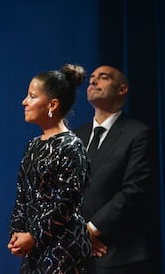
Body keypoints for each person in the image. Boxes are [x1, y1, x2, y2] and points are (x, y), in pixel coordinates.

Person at [8, 63, 92, 273]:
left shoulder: (72, 146)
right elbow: (22, 193)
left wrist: (34, 235)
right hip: (35, 247)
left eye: (32, 96)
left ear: (52, 104)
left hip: (63, 247)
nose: (24, 102)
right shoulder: (33, 145)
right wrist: (18, 231)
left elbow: (67, 202)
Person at [74, 65, 155, 273]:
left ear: (122, 89)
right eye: (91, 78)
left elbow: (133, 190)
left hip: (118, 256)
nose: (93, 81)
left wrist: (90, 231)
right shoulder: (74, 136)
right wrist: (78, 236)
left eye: (103, 77)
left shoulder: (138, 134)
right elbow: (64, 192)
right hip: (76, 256)